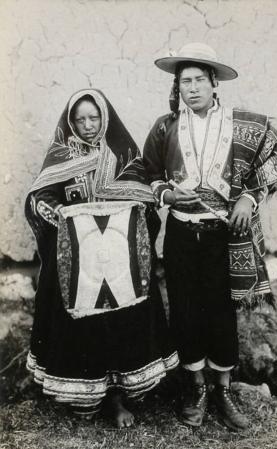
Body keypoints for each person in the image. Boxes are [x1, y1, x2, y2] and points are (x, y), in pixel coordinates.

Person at [143, 43, 277, 429]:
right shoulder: (166, 126)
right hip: (180, 232)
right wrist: (168, 194)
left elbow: (268, 165)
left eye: (198, 80)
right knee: (185, 310)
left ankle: (223, 390)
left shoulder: (239, 125)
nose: (191, 88)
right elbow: (148, 175)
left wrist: (246, 198)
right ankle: (196, 387)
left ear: (214, 85)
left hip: (222, 235)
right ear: (177, 88)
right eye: (184, 82)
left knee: (221, 311)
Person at [25, 88, 178, 427]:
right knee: (82, 326)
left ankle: (119, 399)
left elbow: (146, 206)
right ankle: (84, 400)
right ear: (71, 123)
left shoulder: (124, 155)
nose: (88, 125)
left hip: (120, 261)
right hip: (76, 263)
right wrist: (60, 212)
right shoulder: (60, 157)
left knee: (118, 324)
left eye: (93, 117)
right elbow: (39, 198)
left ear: (104, 116)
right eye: (79, 119)